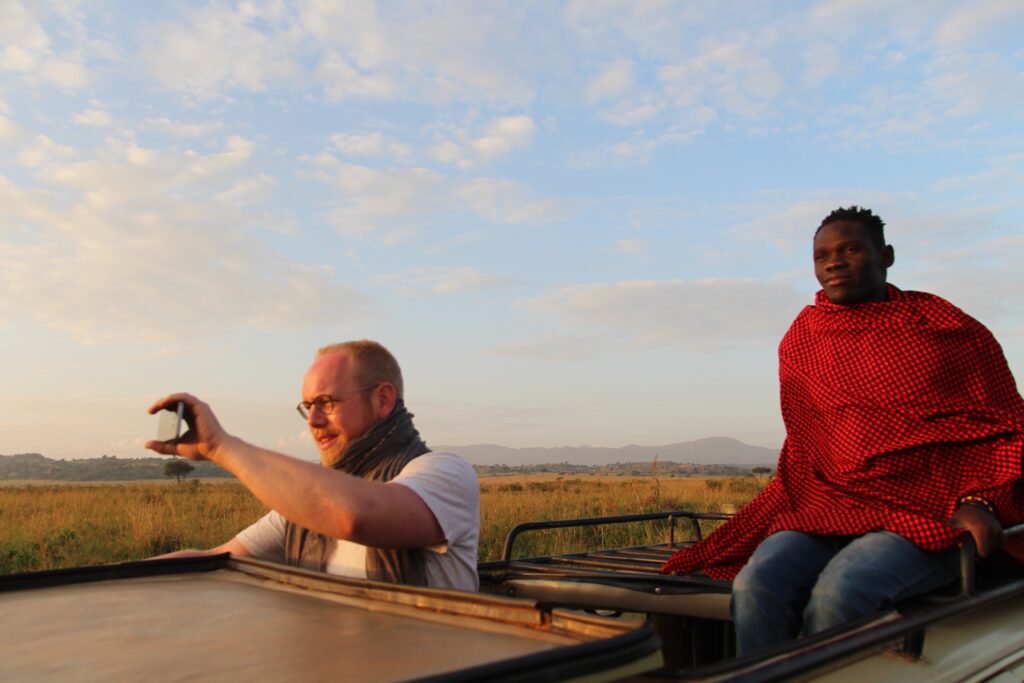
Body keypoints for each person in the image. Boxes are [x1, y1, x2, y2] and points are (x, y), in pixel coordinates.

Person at [662, 206, 1024, 655]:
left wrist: (981, 500)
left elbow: (1006, 426)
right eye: (821, 255)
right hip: (830, 504)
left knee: (841, 592)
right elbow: (808, 445)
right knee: (757, 585)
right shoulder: (804, 337)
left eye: (850, 249)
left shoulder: (946, 328)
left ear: (886, 255)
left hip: (926, 509)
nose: (833, 262)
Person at [146, 339, 480, 592]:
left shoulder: (444, 472)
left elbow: (354, 517)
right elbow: (215, 559)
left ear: (383, 400)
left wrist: (220, 446)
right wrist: (107, 577)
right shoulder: (306, 509)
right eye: (308, 407)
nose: (314, 421)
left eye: (326, 402)